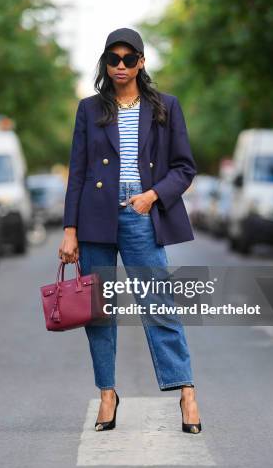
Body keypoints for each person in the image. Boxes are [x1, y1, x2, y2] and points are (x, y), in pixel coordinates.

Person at [59, 27, 202, 434]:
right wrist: (70, 230)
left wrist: (152, 195)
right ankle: (107, 393)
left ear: (141, 61)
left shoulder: (165, 107)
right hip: (94, 218)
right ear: (105, 63)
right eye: (113, 59)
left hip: (141, 211)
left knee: (158, 304)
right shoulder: (89, 109)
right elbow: (78, 173)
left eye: (128, 58)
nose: (120, 66)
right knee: (98, 313)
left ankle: (186, 392)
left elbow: (184, 168)